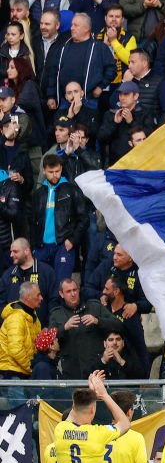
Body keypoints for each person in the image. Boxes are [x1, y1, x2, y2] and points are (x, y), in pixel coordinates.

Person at [30, 154, 85, 286]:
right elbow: (31, 222)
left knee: (61, 286)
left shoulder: (72, 190)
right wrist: (33, 247)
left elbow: (84, 218)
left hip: (63, 245)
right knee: (40, 288)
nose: (54, 175)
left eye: (57, 171)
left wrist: (72, 240)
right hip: (41, 247)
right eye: (50, 172)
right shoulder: (38, 194)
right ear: (43, 171)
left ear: (61, 169)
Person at [45, 14, 115, 111]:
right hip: (64, 101)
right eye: (72, 25)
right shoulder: (63, 47)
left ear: (87, 28)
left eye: (76, 25)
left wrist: (101, 86)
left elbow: (111, 69)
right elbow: (53, 72)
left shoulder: (99, 47)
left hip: (88, 101)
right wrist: (51, 96)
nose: (71, 28)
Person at [97, 80, 156, 164]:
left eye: (126, 94)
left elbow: (150, 137)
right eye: (120, 94)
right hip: (116, 164)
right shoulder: (111, 114)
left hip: (140, 163)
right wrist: (115, 123)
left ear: (136, 96)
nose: (122, 97)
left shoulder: (145, 113)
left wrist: (131, 122)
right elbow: (101, 138)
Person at [4, 238, 57, 326]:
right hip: (13, 331)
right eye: (11, 251)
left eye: (15, 251)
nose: (11, 255)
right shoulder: (7, 275)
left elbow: (54, 302)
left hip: (40, 331)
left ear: (26, 251)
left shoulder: (46, 272)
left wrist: (50, 326)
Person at [0, 280, 43, 379]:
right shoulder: (16, 318)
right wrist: (31, 368)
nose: (41, 298)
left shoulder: (34, 317)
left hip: (22, 371)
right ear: (28, 297)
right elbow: (16, 350)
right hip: (11, 373)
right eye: (38, 295)